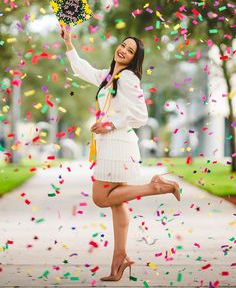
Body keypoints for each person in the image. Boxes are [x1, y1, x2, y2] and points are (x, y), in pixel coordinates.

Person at [61, 25, 180, 282]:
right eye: (123, 45)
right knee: (117, 203)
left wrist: (110, 124)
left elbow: (140, 116)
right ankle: (120, 259)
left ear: (135, 59)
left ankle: (156, 186)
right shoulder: (108, 76)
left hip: (118, 144)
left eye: (130, 50)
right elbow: (81, 69)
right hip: (112, 145)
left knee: (101, 198)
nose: (123, 50)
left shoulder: (128, 78)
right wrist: (69, 43)